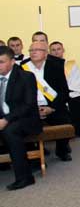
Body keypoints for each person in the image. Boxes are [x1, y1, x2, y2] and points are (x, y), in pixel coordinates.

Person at [22, 41, 73, 161]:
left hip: (51, 106)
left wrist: (51, 108)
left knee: (64, 120)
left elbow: (64, 92)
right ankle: (33, 155)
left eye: (37, 50)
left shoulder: (55, 67)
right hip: (31, 108)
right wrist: (34, 109)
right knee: (23, 123)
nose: (33, 52)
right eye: (31, 50)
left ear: (45, 53)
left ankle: (62, 150)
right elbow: (19, 95)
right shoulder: (22, 69)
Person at [0, 46, 41, 190]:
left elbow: (28, 105)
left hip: (25, 119)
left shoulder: (26, 77)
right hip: (3, 119)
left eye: (1, 62)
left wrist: (6, 119)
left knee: (10, 131)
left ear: (12, 62)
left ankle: (25, 177)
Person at [48, 41, 80, 137]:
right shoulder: (47, 67)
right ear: (49, 52)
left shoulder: (70, 64)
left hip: (71, 93)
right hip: (55, 95)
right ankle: (63, 133)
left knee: (77, 102)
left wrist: (67, 91)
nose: (56, 52)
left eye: (58, 49)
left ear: (63, 50)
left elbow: (78, 80)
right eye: (53, 50)